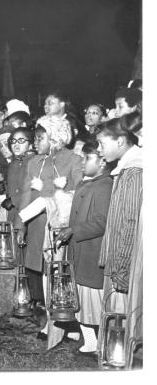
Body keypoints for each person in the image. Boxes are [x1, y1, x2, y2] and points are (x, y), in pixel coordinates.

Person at [18, 116, 83, 341]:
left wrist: (61, 186)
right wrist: (20, 227)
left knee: (61, 274)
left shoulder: (74, 160)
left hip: (61, 227)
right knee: (43, 275)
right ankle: (50, 321)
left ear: (55, 138)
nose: (35, 143)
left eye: (40, 138)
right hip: (37, 227)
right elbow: (27, 195)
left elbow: (79, 192)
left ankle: (70, 323)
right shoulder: (34, 161)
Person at [54, 140, 113, 354]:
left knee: (92, 300)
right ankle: (90, 341)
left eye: (87, 158)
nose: (82, 163)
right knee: (81, 298)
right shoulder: (85, 183)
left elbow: (101, 222)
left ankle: (103, 342)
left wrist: (73, 231)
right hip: (79, 249)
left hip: (91, 250)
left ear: (103, 162)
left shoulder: (104, 185)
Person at [96, 118, 142, 326]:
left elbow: (130, 222)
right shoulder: (124, 169)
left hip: (126, 265)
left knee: (124, 319)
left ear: (121, 141)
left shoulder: (134, 171)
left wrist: (122, 268)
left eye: (102, 144)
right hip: (121, 263)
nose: (98, 150)